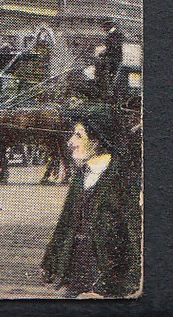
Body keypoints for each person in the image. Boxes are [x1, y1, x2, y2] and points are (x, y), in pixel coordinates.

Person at [42, 107, 141, 298]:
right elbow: (66, 221)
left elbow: (134, 234)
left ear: (96, 141)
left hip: (108, 276)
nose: (70, 142)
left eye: (78, 136)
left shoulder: (123, 178)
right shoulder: (81, 175)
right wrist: (50, 261)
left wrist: (128, 284)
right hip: (77, 268)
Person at [94, 21, 124, 102]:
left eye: (104, 28)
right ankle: (109, 93)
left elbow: (113, 48)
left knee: (110, 75)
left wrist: (104, 53)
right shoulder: (115, 32)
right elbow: (111, 47)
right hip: (114, 57)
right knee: (111, 75)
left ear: (107, 27)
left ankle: (108, 94)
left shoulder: (114, 34)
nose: (103, 30)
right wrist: (104, 51)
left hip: (113, 59)